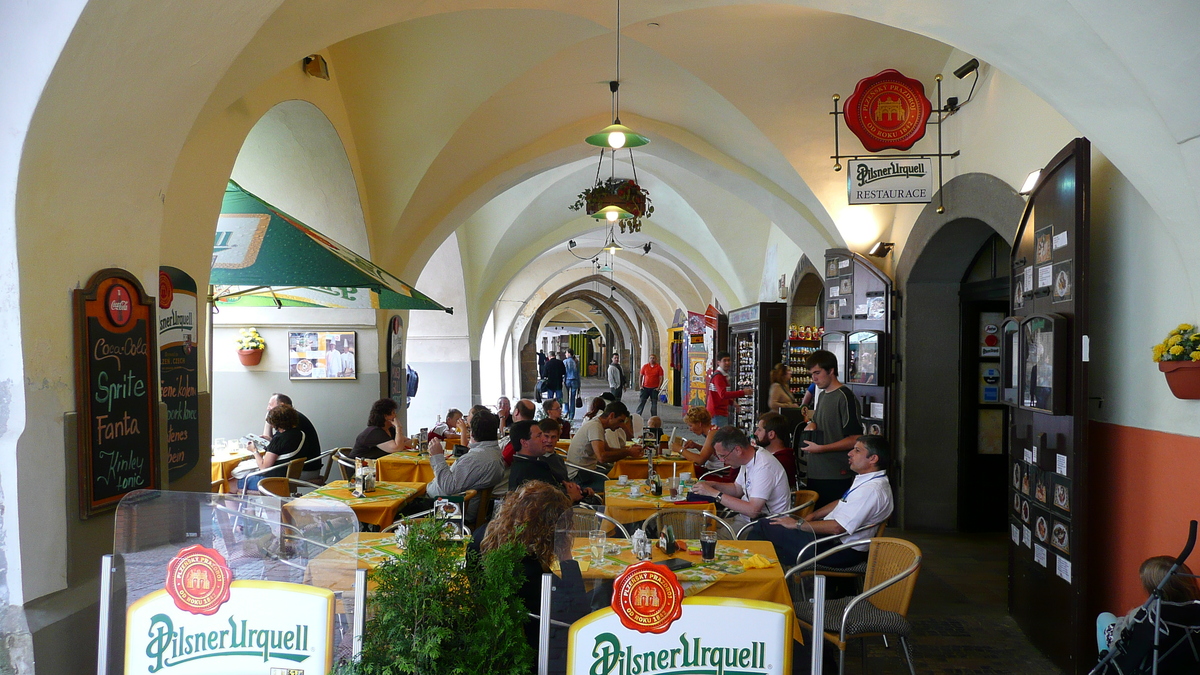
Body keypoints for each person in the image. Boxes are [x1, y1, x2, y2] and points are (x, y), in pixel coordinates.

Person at [472, 480, 587, 672]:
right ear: (551, 530)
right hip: (535, 653)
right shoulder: (532, 573)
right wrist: (565, 553)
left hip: (486, 638)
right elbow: (578, 614)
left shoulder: (480, 537)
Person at [750, 435, 892, 568]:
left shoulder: (871, 490)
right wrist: (813, 516)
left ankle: (755, 578)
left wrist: (798, 524)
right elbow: (841, 501)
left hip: (839, 550)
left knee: (764, 527)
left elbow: (837, 527)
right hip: (829, 541)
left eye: (857, 450)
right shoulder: (868, 480)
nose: (850, 453)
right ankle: (767, 577)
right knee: (771, 530)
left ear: (873, 458)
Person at [1096, 556, 1200, 674]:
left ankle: (1103, 664)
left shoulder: (1149, 614)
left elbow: (1120, 641)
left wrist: (1127, 617)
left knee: (1103, 617)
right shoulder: (1194, 610)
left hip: (1136, 661)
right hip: (1177, 662)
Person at [691, 426, 790, 529]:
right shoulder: (750, 457)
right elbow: (737, 489)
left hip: (764, 526)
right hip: (744, 520)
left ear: (738, 450)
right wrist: (713, 485)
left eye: (723, 456)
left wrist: (713, 493)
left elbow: (753, 511)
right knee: (699, 526)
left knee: (706, 537)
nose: (721, 460)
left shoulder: (764, 467)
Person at [802, 349, 863, 507]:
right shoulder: (822, 395)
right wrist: (812, 424)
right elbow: (816, 420)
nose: (814, 378)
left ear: (831, 370)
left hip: (835, 472)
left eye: (817, 373)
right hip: (815, 470)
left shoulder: (845, 397)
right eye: (811, 374)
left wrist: (822, 448)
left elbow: (855, 438)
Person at [425, 410, 504, 522]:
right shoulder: (495, 453)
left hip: (446, 509)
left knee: (402, 508)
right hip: (460, 507)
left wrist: (437, 456)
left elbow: (448, 487)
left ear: (472, 433)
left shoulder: (475, 459)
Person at [565, 401, 641, 493]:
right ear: (611, 416)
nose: (621, 426)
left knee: (623, 477)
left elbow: (607, 450)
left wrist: (628, 450)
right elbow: (602, 457)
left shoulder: (597, 424)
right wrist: (628, 452)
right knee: (622, 486)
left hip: (586, 473)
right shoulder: (595, 426)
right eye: (620, 421)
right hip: (580, 477)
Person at [508, 420, 583, 502]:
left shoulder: (534, 463)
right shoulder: (526, 471)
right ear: (524, 442)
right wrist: (571, 497)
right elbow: (543, 509)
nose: (545, 440)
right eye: (539, 436)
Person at [238, 404, 306, 492]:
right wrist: (271, 440)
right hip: (289, 479)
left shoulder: (279, 438)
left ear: (276, 423)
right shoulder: (299, 434)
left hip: (271, 481)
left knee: (229, 484)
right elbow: (284, 449)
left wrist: (254, 450)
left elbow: (263, 467)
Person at [261, 393, 321, 480]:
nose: (268, 408)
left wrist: (268, 420)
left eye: (270, 405)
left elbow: (266, 464)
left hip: (301, 470)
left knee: (245, 475)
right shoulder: (293, 420)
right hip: (308, 466)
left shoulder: (290, 425)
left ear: (282, 405)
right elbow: (281, 446)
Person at [679, 406, 731, 481]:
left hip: (718, 473)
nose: (690, 429)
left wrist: (680, 450)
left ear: (699, 424)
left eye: (691, 425)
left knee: (684, 471)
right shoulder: (713, 430)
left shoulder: (713, 434)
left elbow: (700, 460)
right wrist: (697, 446)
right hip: (713, 470)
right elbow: (711, 452)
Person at [349, 398, 414, 459]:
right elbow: (397, 449)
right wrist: (398, 427)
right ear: (385, 416)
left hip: (377, 465)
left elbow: (410, 443)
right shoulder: (374, 432)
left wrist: (403, 443)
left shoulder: (389, 429)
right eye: (393, 413)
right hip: (361, 467)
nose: (395, 415)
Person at [755, 411, 798, 488]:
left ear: (771, 434)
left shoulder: (780, 461)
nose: (756, 433)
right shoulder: (775, 457)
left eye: (759, 430)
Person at [706, 351, 748, 427]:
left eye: (728, 360)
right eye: (724, 361)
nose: (727, 363)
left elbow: (721, 394)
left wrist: (732, 402)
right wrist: (743, 392)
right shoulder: (719, 377)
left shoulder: (723, 376)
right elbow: (723, 394)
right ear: (718, 362)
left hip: (719, 412)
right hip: (717, 413)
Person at [635, 353, 665, 417]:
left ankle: (654, 417)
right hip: (645, 387)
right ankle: (637, 415)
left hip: (654, 388)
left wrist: (658, 387)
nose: (652, 359)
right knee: (641, 402)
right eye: (651, 358)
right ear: (649, 359)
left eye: (653, 358)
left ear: (656, 359)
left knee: (654, 403)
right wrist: (640, 385)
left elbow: (661, 378)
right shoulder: (645, 366)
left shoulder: (659, 368)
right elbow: (641, 376)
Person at [563, 349, 581, 419]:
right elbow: (578, 374)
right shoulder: (576, 362)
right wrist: (579, 384)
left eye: (566, 353)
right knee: (572, 399)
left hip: (567, 380)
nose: (565, 354)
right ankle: (571, 415)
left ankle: (566, 410)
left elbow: (564, 373)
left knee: (566, 397)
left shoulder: (565, 361)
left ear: (569, 354)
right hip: (575, 381)